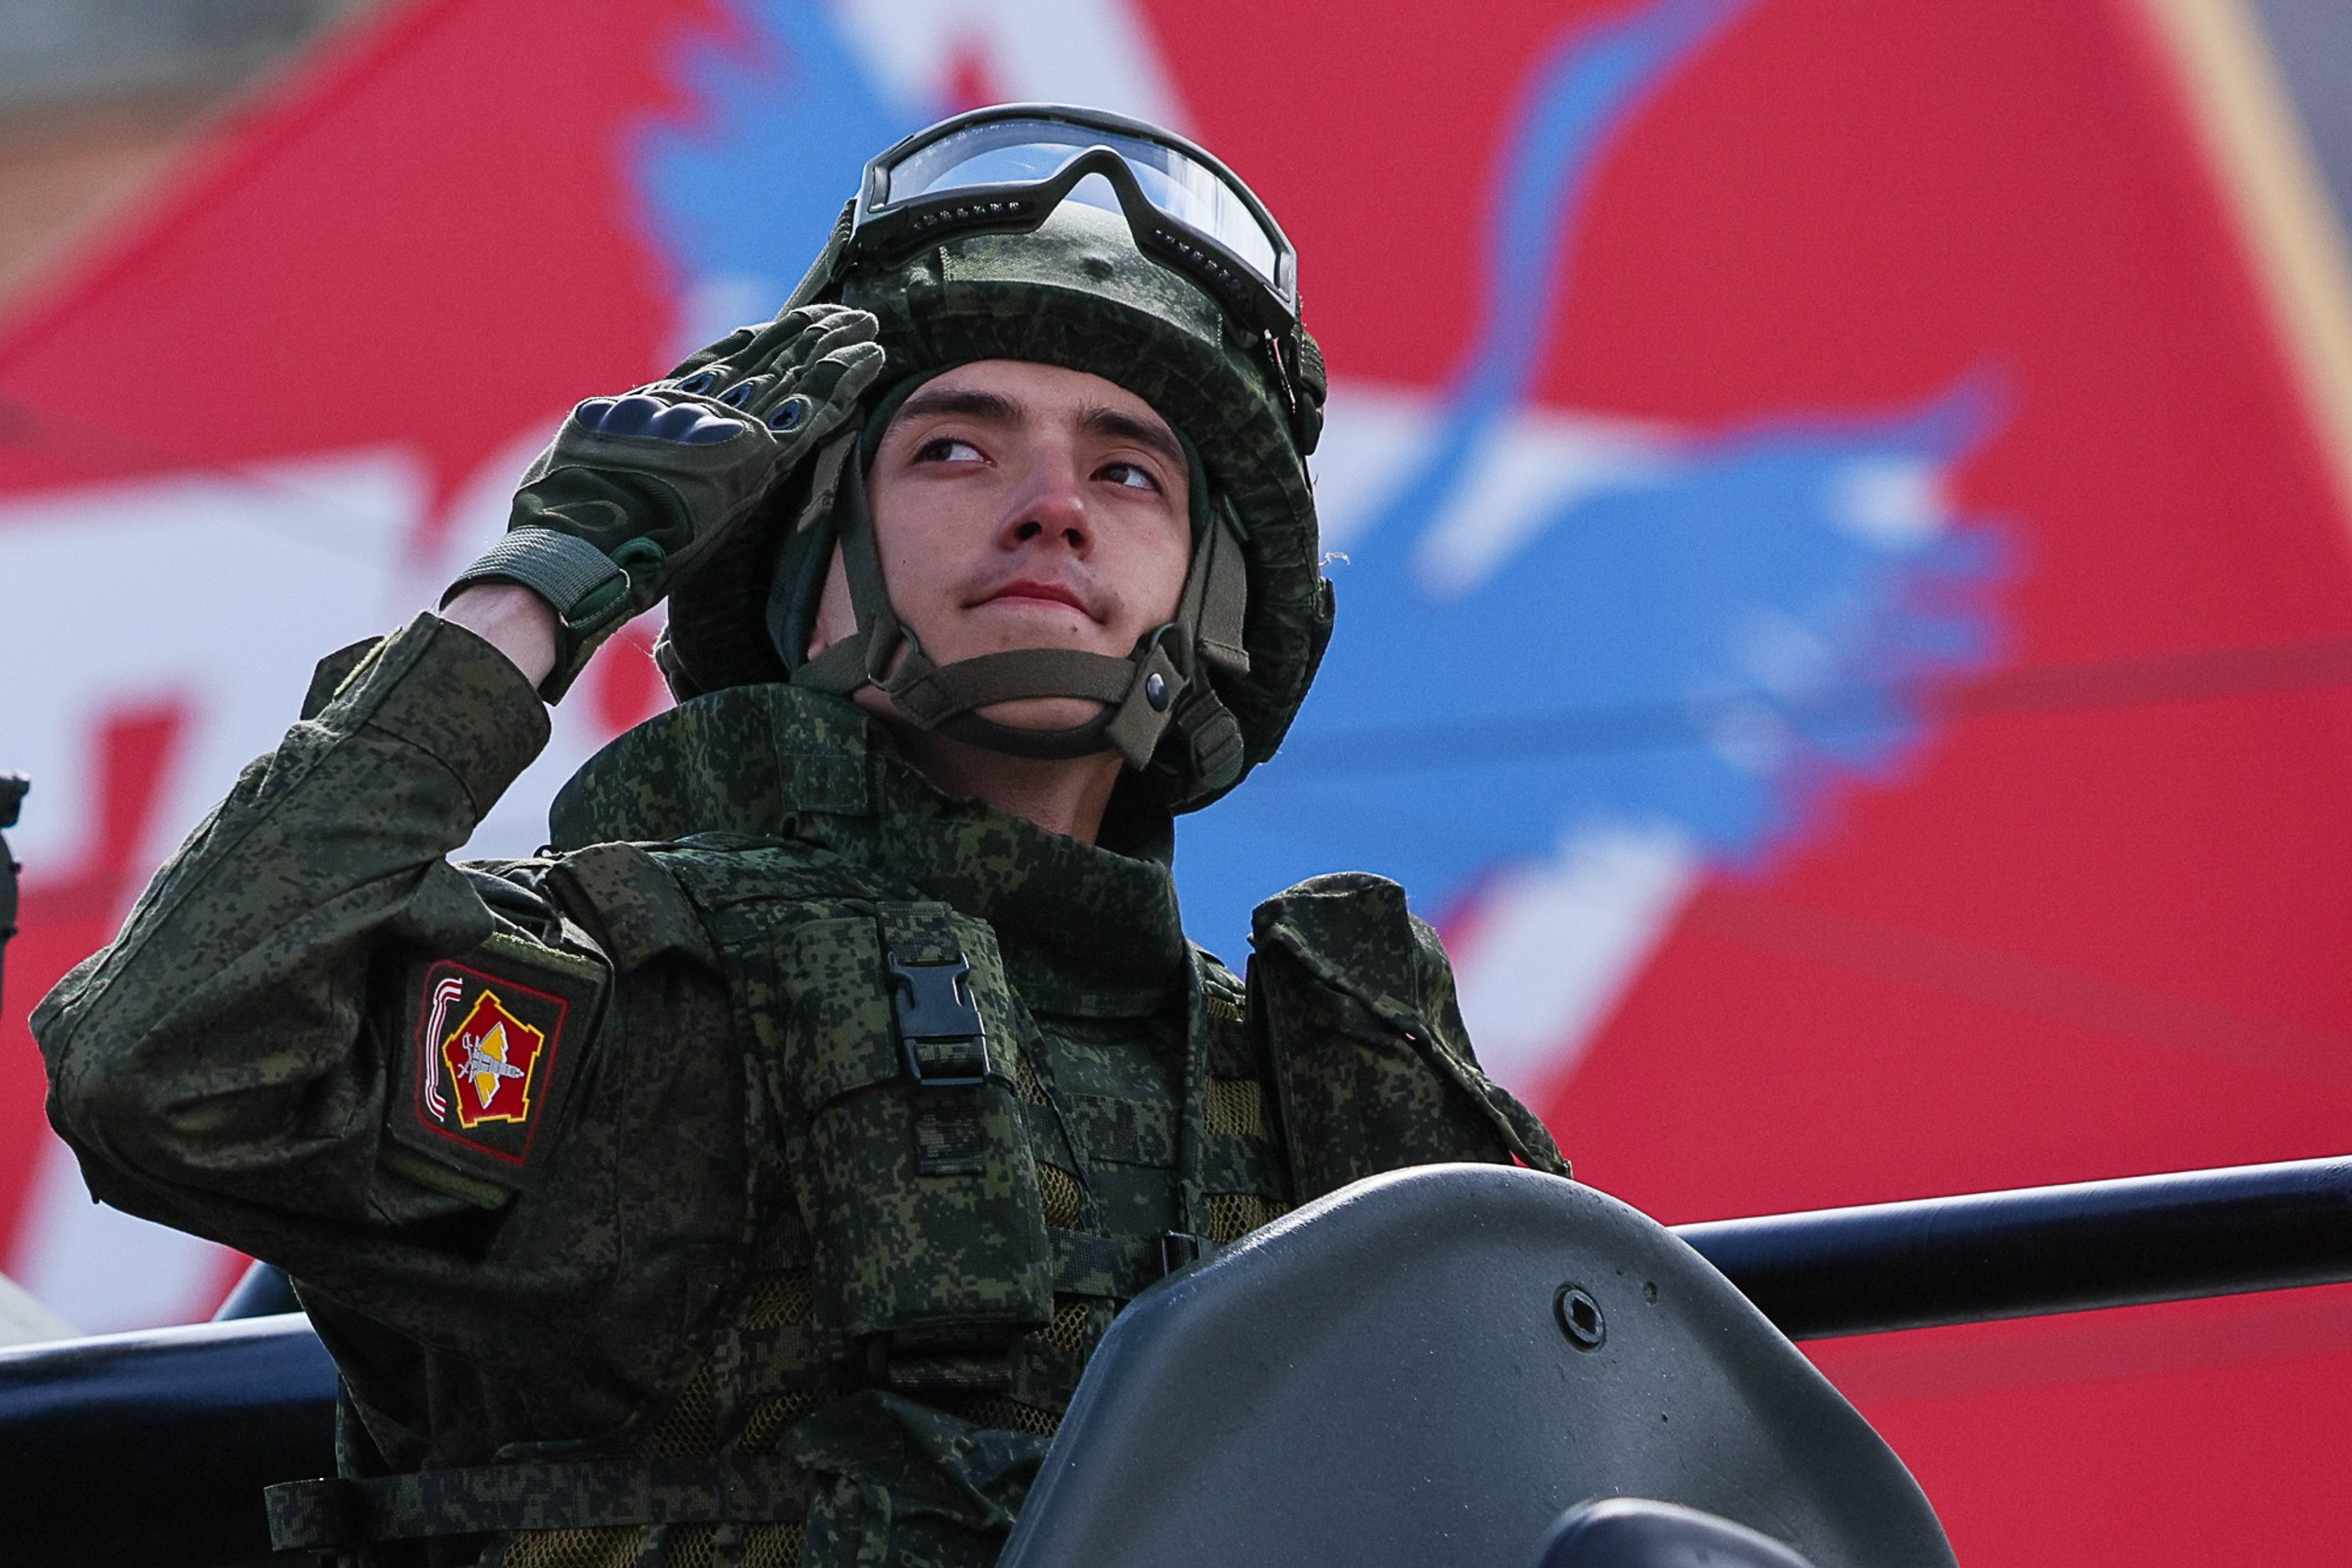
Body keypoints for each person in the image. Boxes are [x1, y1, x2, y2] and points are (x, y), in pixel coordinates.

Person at [34, 104, 1566, 1568]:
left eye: (1127, 470)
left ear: (1210, 600)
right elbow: (167, 1063)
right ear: (804, 568)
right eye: (954, 451)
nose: (1050, 508)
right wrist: (541, 584)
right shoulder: (642, 1010)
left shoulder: (1332, 1112)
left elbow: (1613, 1455)